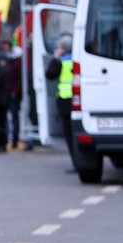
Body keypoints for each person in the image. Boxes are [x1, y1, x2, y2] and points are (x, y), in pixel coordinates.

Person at [45, 33, 75, 167]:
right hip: (77, 101)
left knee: (70, 135)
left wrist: (55, 58)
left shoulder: (62, 62)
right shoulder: (78, 59)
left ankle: (76, 162)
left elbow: (49, 74)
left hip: (65, 102)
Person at [2, 40, 23, 149]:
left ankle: (15, 139)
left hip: (14, 93)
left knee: (14, 116)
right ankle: (5, 138)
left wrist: (16, 90)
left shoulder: (16, 61)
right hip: (4, 93)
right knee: (4, 117)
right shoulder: (3, 59)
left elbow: (19, 78)